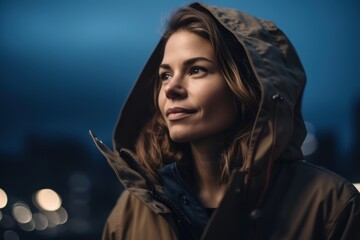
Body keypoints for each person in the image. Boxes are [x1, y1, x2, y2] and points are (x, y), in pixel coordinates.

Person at [90, 2, 360, 239]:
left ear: (248, 85)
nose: (171, 88)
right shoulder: (130, 213)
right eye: (165, 75)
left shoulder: (331, 205)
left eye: (196, 70)